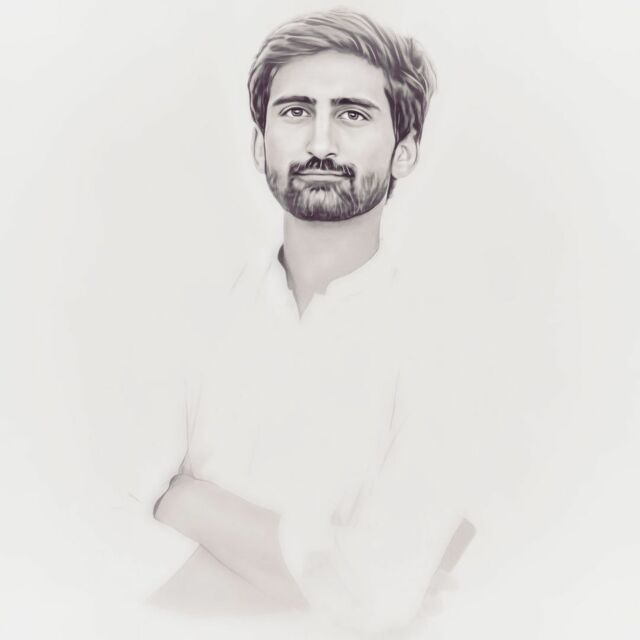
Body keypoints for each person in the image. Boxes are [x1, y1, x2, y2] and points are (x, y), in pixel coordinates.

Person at [151, 8, 476, 637]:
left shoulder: (442, 349)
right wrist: (325, 584)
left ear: (406, 151)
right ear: (258, 144)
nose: (320, 144)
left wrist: (185, 499)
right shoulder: (190, 314)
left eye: (353, 115)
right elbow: (105, 537)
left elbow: (381, 596)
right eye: (297, 111)